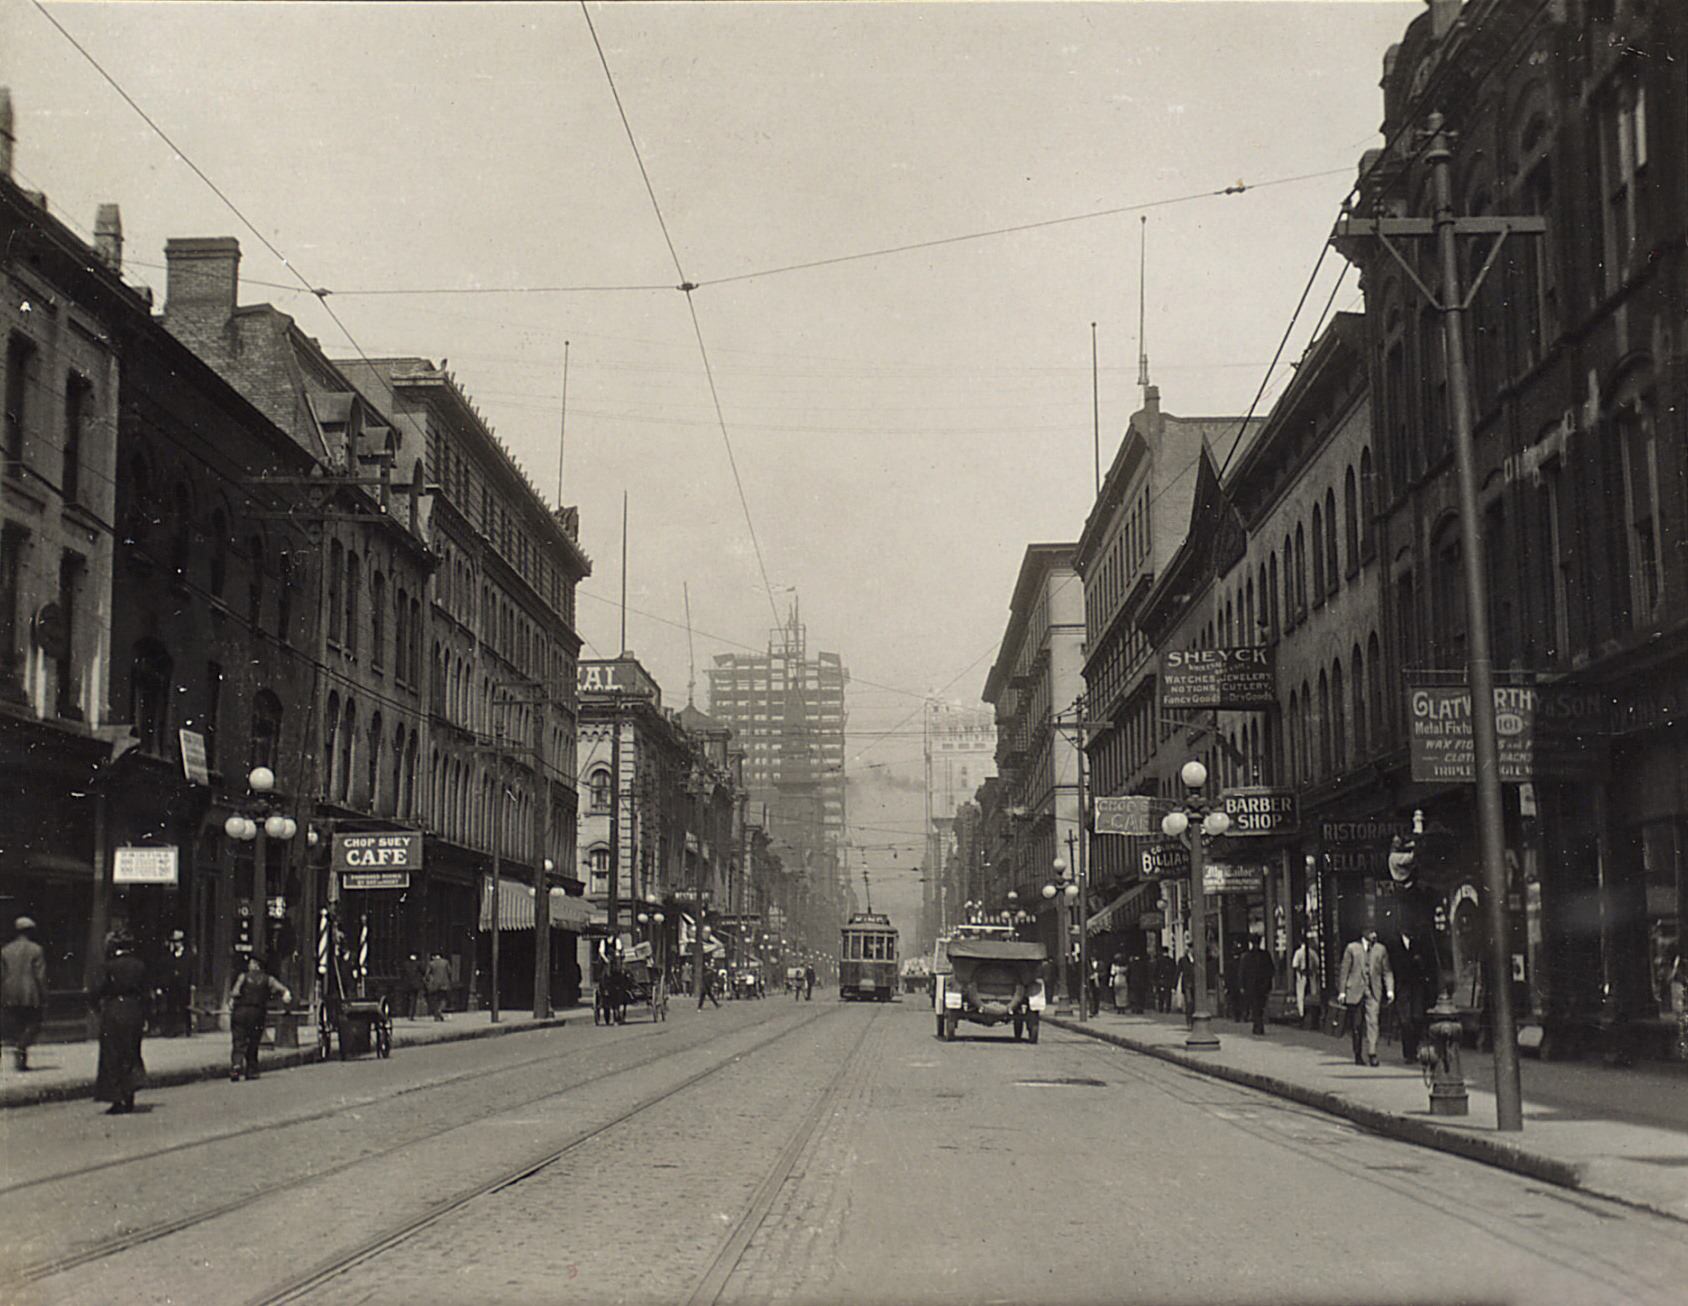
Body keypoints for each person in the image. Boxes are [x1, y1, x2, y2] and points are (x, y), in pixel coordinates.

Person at [93, 935, 147, 1114]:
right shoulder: (139, 966)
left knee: (112, 1054)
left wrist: (96, 1008)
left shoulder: (109, 967)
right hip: (134, 1010)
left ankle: (117, 1099)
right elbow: (146, 993)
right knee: (131, 1052)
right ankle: (130, 1095)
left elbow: (97, 990)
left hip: (114, 1010)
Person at [229, 954, 292, 1082]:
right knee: (253, 1041)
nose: (249, 965)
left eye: (251, 963)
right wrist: (286, 994)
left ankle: (236, 1065)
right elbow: (282, 990)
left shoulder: (243, 977)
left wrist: (232, 1002)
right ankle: (251, 1070)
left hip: (240, 1011)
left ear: (256, 965)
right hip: (257, 1013)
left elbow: (235, 992)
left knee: (238, 1040)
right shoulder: (268, 979)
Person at [1339, 925, 1395, 1066]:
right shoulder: (1352, 948)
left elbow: (1387, 971)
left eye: (1375, 931)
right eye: (1371, 931)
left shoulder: (1380, 949)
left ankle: (1372, 1053)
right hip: (1355, 990)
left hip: (1373, 991)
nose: (1374, 934)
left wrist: (1390, 990)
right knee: (1357, 1024)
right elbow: (1344, 971)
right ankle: (1357, 1053)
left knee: (1373, 1022)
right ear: (1363, 932)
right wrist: (1342, 991)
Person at [2, 916, 47, 1071]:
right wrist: (44, 994)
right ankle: (21, 1048)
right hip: (30, 991)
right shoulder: (36, 949)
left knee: (17, 1023)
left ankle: (21, 1059)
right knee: (34, 1023)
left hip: (10, 991)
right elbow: (40, 975)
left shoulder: (6, 950)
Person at [1239, 935, 1276, 1035]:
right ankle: (1258, 1025)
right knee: (1259, 1006)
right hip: (1261, 985)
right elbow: (1271, 970)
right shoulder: (1265, 955)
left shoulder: (1246, 956)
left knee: (1256, 1006)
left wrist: (1242, 985)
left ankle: (1258, 1025)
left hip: (1253, 986)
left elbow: (1242, 972)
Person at [162, 930, 194, 1037]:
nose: (176, 944)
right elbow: (167, 969)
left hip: (184, 985)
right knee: (171, 1007)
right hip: (173, 985)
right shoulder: (171, 955)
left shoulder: (188, 955)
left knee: (185, 1007)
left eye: (178, 941)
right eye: (175, 942)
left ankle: (187, 1029)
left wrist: (192, 983)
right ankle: (171, 1030)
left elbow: (192, 970)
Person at [424, 952, 452, 1021]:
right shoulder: (446, 962)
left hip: (434, 984)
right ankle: (439, 1011)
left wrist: (428, 982)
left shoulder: (431, 963)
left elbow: (427, 974)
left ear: (434, 956)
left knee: (435, 1000)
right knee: (443, 999)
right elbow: (450, 972)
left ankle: (437, 1014)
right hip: (444, 984)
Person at [1290, 939, 1311, 1024]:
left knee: (1300, 995)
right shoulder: (1312, 952)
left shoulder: (1298, 952)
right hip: (1311, 975)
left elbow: (1295, 965)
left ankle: (1301, 1013)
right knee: (1312, 993)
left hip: (1301, 975)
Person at [401, 953, 426, 1019]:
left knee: (408, 999)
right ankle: (411, 1015)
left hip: (407, 984)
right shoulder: (418, 964)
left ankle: (406, 1013)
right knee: (413, 999)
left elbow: (402, 973)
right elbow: (423, 971)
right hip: (415, 984)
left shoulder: (405, 964)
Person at [1153, 948, 1177, 1014]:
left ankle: (1161, 1008)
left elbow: (1156, 971)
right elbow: (1174, 971)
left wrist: (1155, 980)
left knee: (1161, 995)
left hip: (1161, 980)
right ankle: (1167, 1009)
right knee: (1168, 995)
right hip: (1168, 980)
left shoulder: (1159, 961)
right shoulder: (1171, 961)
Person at [1127, 951, 1151, 1015]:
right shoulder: (1143, 964)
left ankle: (1135, 1008)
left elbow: (1128, 973)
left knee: (1134, 995)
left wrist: (1129, 981)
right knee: (1141, 996)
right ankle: (1140, 1008)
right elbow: (1146, 974)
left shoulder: (1131, 964)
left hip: (1134, 982)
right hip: (1142, 982)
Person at [1177, 948, 1196, 1030]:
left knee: (1196, 1004)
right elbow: (1178, 972)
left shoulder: (1198, 959)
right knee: (1189, 1003)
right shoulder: (1183, 960)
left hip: (1196, 985)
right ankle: (1189, 1023)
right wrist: (1174, 985)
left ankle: (1194, 1022)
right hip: (1187, 984)